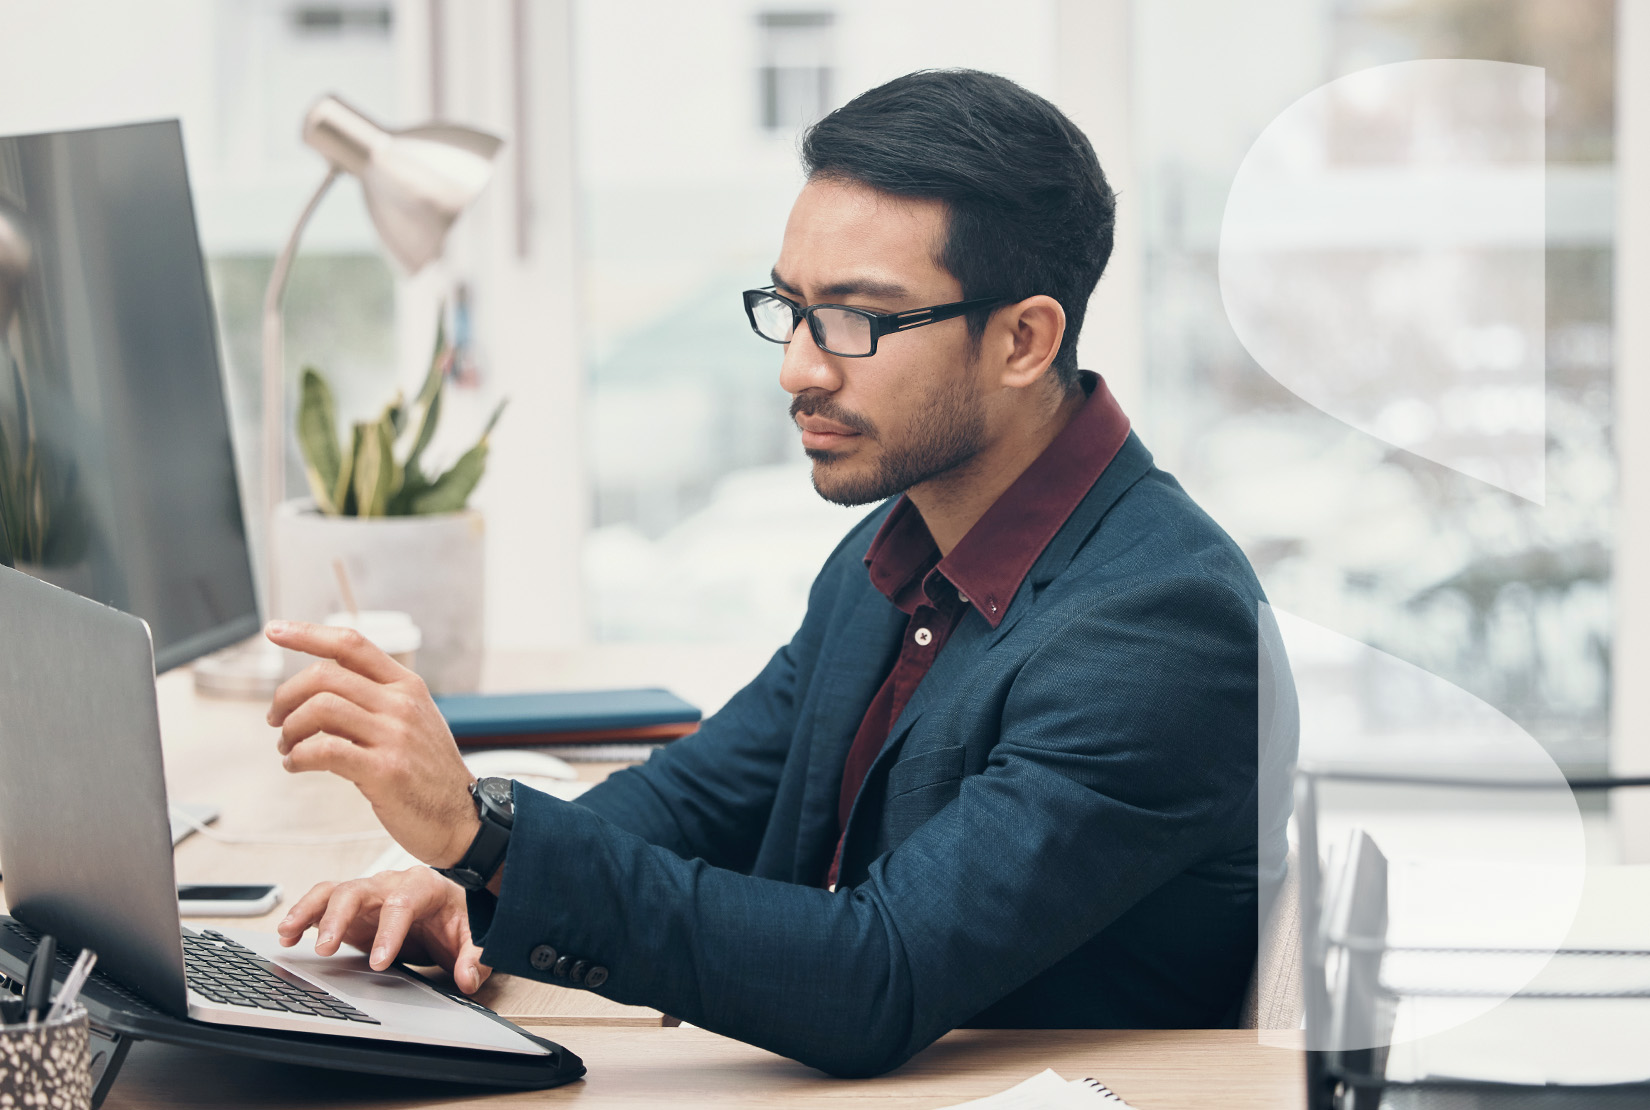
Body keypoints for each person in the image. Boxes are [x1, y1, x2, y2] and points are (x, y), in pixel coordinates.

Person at [264, 69, 1278, 1078]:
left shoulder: (1160, 629)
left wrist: (491, 843)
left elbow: (873, 974)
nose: (798, 366)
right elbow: (701, 797)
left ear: (1024, 340)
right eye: (791, 307)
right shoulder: (904, 543)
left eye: (857, 319)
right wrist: (467, 873)